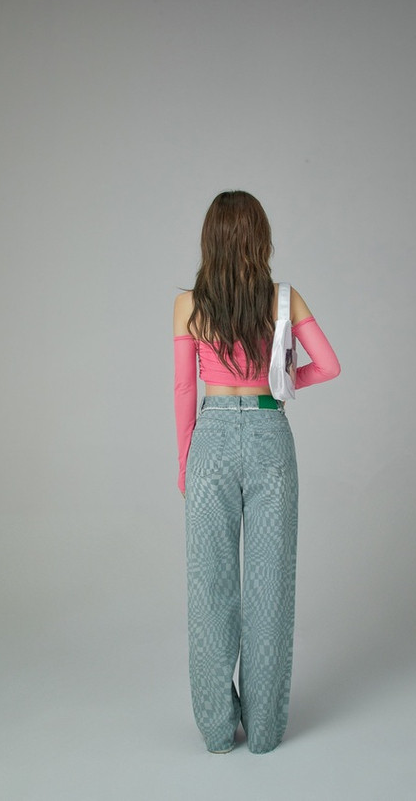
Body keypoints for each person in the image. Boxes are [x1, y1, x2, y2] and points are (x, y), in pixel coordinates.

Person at [173, 190, 341, 755]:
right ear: (261, 238)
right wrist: (283, 382)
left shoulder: (188, 305)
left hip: (211, 438)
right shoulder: (283, 299)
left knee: (209, 588)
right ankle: (265, 732)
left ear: (210, 239)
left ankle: (218, 731)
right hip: (271, 437)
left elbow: (184, 389)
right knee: (270, 587)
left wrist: (184, 463)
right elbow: (329, 365)